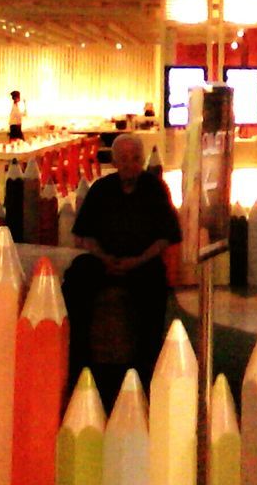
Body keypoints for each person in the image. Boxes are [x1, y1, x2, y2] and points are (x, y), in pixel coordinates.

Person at [64, 133, 181, 397]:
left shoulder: (155, 189)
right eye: (124, 159)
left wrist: (136, 261)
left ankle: (144, 368)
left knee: (153, 286)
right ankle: (78, 360)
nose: (130, 164)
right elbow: (84, 235)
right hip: (104, 260)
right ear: (115, 162)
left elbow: (166, 238)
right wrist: (104, 258)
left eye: (135, 158)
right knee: (76, 277)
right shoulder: (102, 189)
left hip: (142, 262)